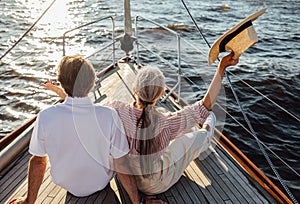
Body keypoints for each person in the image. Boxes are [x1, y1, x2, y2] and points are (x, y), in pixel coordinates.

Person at [41, 51, 238, 195]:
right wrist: (220, 69)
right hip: (154, 184)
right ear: (161, 94)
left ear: (135, 90)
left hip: (127, 178)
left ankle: (201, 131)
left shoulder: (115, 109)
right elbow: (204, 105)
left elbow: (84, 106)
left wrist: (60, 92)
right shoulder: (165, 123)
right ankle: (207, 131)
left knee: (184, 134)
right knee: (197, 135)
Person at [9, 55, 165, 204]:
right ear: (91, 83)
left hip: (68, 186)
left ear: (62, 83)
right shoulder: (109, 116)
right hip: (101, 185)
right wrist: (139, 201)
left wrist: (28, 200)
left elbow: (38, 162)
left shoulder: (45, 117)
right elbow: (122, 163)